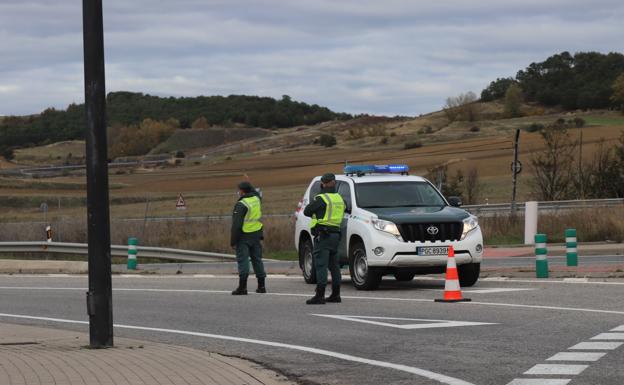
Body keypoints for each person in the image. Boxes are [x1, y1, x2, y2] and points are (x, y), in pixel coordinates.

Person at [303, 173, 345, 304]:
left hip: (323, 236)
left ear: (323, 183)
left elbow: (307, 211)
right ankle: (336, 294)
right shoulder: (339, 198)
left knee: (321, 265)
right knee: (334, 266)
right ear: (334, 183)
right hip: (336, 235)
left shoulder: (321, 198)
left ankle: (319, 295)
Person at [230, 181, 267, 295]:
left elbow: (236, 225)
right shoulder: (256, 199)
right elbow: (256, 193)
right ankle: (262, 286)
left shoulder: (242, 204)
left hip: (244, 235)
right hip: (256, 234)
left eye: (239, 189)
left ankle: (242, 287)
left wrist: (233, 241)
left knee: (243, 261)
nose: (238, 192)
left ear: (242, 191)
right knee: (257, 260)